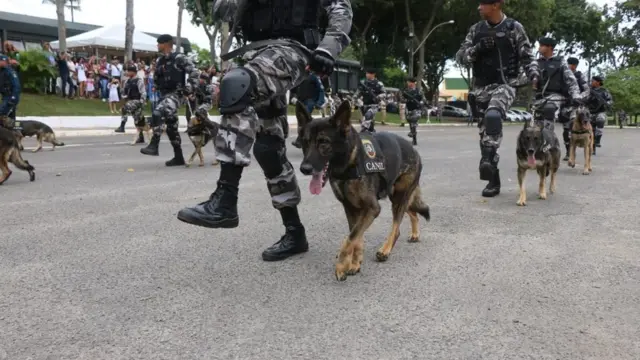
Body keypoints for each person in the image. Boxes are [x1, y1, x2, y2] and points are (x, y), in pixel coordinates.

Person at [177, 0, 353, 261]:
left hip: (293, 50)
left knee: (238, 84)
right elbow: (221, 12)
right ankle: (295, 233)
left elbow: (341, 9)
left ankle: (225, 199)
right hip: (257, 53)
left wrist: (328, 49)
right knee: (268, 147)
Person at [455, 0, 539, 198]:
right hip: (481, 87)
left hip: (506, 84)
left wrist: (534, 74)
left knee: (493, 116)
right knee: (486, 135)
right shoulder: (476, 30)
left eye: (483, 4)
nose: (478, 7)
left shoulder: (513, 28)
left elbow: (527, 56)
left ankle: (487, 160)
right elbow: (460, 57)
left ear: (496, 5)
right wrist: (477, 48)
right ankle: (493, 178)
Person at [140, 35, 199, 166]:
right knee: (172, 127)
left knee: (157, 113)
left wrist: (189, 88)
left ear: (166, 44)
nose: (157, 46)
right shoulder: (160, 60)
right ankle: (178, 157)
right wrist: (157, 85)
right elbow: (157, 77)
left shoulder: (179, 58)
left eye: (159, 43)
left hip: (176, 94)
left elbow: (195, 72)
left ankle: (154, 144)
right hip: (164, 94)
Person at [532, 37, 581, 131]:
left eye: (542, 46)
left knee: (549, 109)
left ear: (550, 47)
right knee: (536, 125)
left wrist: (576, 96)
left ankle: (549, 140)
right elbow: (525, 77)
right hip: (539, 97)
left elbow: (571, 81)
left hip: (556, 96)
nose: (539, 48)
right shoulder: (536, 63)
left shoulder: (560, 62)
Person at [562, 56, 591, 160]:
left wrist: (578, 97)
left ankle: (573, 151)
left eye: (572, 65)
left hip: (576, 105)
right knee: (565, 129)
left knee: (572, 123)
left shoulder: (580, 76)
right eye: (568, 64)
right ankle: (567, 151)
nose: (570, 66)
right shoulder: (562, 75)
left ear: (575, 66)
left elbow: (587, 90)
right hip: (563, 103)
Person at [291, 67, 325, 148]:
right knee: (301, 121)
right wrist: (293, 97)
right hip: (300, 101)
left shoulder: (314, 77)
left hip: (310, 101)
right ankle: (307, 137)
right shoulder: (299, 76)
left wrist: (319, 102)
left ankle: (299, 140)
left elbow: (321, 90)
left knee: (303, 119)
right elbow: (293, 88)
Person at [116, 66, 147, 144]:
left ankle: (122, 126)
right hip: (130, 100)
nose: (127, 73)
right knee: (137, 120)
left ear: (133, 72)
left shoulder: (139, 80)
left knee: (124, 108)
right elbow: (124, 93)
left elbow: (143, 92)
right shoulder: (127, 81)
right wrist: (119, 86)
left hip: (137, 101)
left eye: (129, 71)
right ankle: (141, 137)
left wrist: (142, 102)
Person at [588, 75, 613, 154]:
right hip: (589, 112)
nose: (591, 82)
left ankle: (598, 140)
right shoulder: (588, 90)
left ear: (598, 82)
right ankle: (592, 147)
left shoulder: (604, 91)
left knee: (600, 120)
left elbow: (610, 100)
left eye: (593, 81)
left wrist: (607, 103)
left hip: (600, 111)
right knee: (590, 130)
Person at [401, 77, 426, 145]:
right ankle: (414, 139)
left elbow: (423, 99)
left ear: (413, 83)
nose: (408, 83)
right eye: (407, 82)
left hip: (417, 109)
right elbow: (402, 99)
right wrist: (408, 100)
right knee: (411, 124)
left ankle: (412, 134)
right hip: (409, 109)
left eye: (409, 82)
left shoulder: (419, 91)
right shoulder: (406, 91)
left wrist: (421, 102)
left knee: (414, 120)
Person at [0, 54, 21, 131]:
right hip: (5, 96)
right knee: (12, 118)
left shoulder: (10, 71)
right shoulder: (2, 71)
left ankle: (7, 133)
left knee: (2, 114)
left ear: (4, 61)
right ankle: (16, 132)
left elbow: (17, 86)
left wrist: (13, 98)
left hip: (10, 97)